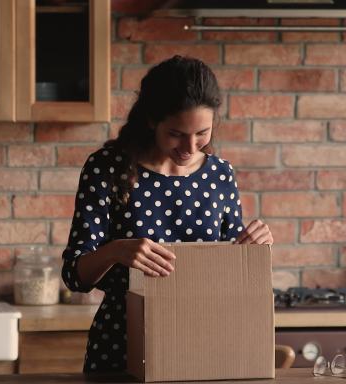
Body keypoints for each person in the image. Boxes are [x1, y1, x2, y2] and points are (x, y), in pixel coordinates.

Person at [61, 55, 274, 373]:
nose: (190, 146)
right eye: (176, 133)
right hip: (122, 343)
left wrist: (256, 244)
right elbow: (75, 276)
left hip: (205, 340)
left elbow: (233, 271)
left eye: (202, 133)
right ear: (151, 120)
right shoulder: (107, 168)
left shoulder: (220, 174)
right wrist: (117, 250)